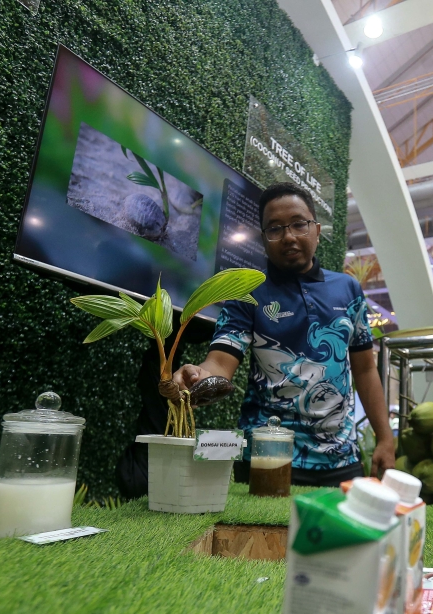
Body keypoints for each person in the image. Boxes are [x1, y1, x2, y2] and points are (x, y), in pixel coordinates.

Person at [166, 182, 395, 486]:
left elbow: (365, 368)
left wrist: (384, 438)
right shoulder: (245, 291)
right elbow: (220, 363)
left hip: (340, 457)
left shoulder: (348, 289)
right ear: (263, 239)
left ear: (316, 228)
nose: (288, 236)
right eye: (274, 229)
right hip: (266, 455)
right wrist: (197, 376)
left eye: (298, 224)